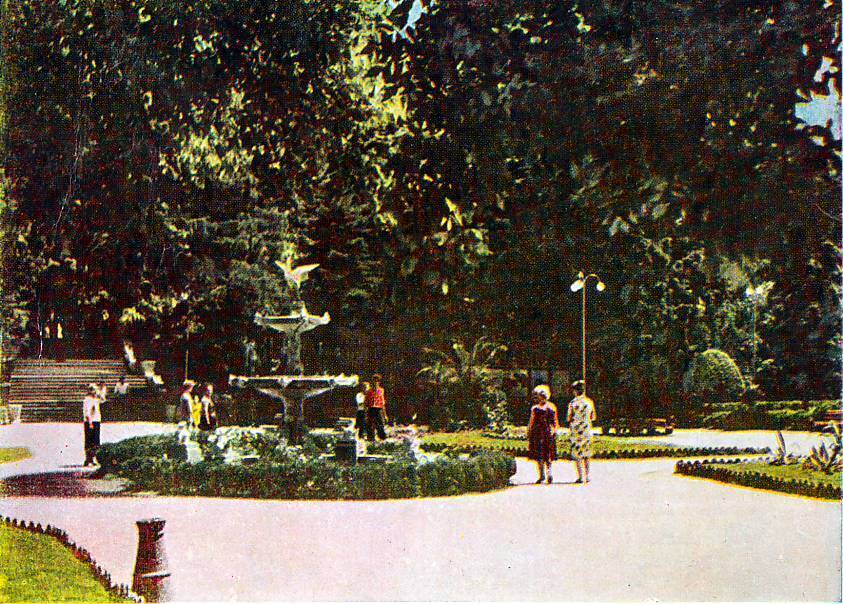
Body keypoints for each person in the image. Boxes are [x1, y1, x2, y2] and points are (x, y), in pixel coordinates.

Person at [527, 384, 558, 484]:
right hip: (548, 432)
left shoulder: (535, 408)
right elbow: (555, 422)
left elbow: (531, 422)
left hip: (538, 433)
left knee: (540, 455)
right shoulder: (552, 407)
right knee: (547, 455)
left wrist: (528, 431)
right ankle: (549, 473)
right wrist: (555, 431)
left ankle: (542, 475)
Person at [567, 380, 596, 484]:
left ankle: (580, 477)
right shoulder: (589, 402)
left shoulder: (572, 403)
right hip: (586, 430)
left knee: (577, 454)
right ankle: (587, 476)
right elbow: (593, 417)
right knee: (586, 454)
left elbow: (569, 417)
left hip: (576, 430)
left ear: (575, 391)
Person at [83, 384, 102, 466]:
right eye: (94, 390)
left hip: (96, 421)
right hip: (90, 422)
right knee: (89, 441)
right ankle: (88, 458)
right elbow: (87, 413)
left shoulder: (96, 399)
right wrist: (90, 423)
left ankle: (94, 458)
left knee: (96, 441)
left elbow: (103, 399)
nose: (95, 392)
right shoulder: (87, 400)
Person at [365, 375, 388, 441]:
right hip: (371, 408)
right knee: (370, 424)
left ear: (379, 382)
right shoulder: (369, 391)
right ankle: (370, 438)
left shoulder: (381, 390)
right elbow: (366, 401)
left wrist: (385, 414)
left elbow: (382, 402)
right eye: (374, 381)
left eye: (377, 381)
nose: (375, 382)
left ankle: (382, 437)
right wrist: (366, 411)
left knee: (380, 423)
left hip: (379, 408)